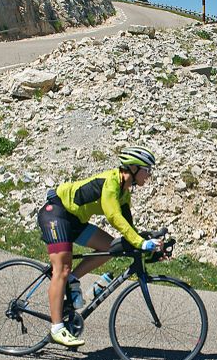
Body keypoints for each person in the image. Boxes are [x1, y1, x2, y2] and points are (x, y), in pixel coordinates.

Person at [36, 145, 163, 347]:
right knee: (61, 268)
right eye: (147, 169)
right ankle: (57, 328)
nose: (149, 175)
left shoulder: (124, 192)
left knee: (109, 248)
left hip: (75, 220)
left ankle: (71, 280)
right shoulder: (111, 183)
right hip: (56, 213)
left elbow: (129, 227)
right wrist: (140, 242)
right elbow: (113, 216)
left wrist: (149, 242)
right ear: (134, 168)